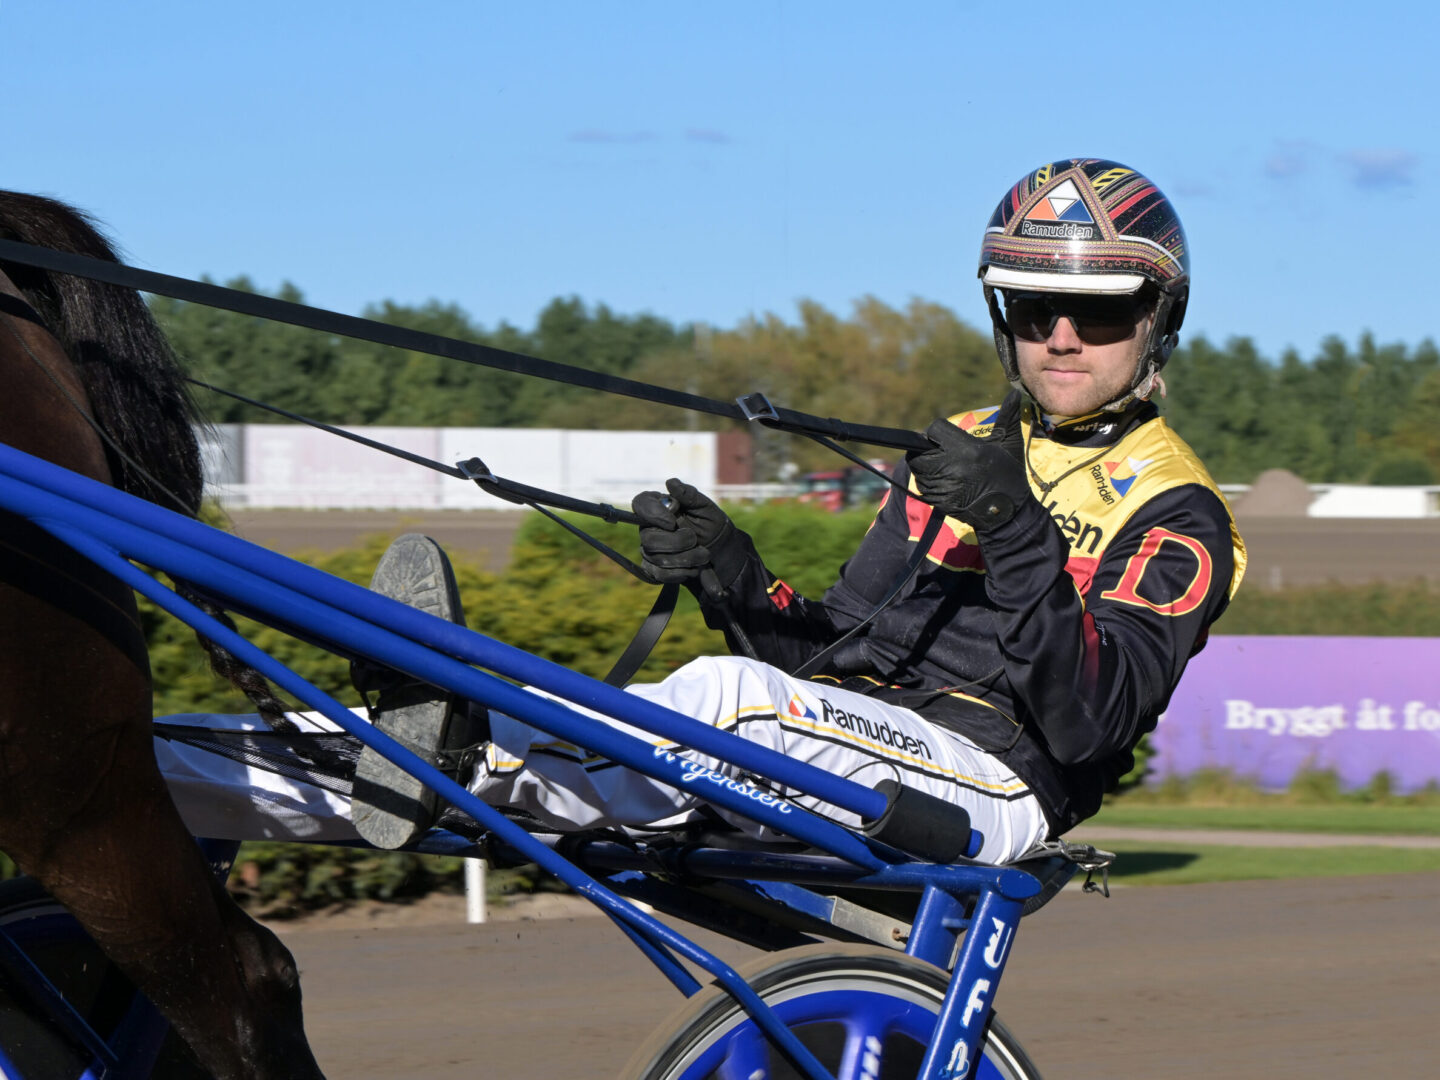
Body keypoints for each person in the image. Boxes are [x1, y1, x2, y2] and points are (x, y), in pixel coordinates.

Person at [156, 158, 1245, 866]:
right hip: (851, 748)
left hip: (994, 785)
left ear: (1158, 318)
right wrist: (736, 576)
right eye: (1034, 304)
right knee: (688, 699)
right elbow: (829, 657)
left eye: (1098, 310)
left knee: (722, 702)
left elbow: (1090, 722)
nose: (1061, 335)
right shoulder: (956, 449)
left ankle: (460, 753)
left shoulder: (1178, 510)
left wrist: (1015, 534)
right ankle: (173, 765)